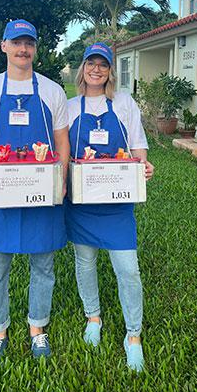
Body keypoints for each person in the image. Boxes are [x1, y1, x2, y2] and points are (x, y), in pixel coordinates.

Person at [0, 19, 70, 363]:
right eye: (17, 42)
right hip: (0, 193)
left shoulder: (53, 91)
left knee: (43, 265)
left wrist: (62, 178)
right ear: (4, 46)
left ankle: (37, 328)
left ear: (36, 48)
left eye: (29, 43)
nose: (23, 49)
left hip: (42, 192)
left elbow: (62, 141)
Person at [64, 42, 155, 372]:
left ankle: (133, 336)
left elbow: (138, 146)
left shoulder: (125, 104)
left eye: (103, 65)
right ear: (83, 68)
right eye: (92, 63)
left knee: (128, 269)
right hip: (81, 203)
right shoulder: (70, 106)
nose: (97, 70)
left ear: (110, 71)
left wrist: (142, 167)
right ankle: (93, 316)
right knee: (84, 261)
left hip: (116, 204)